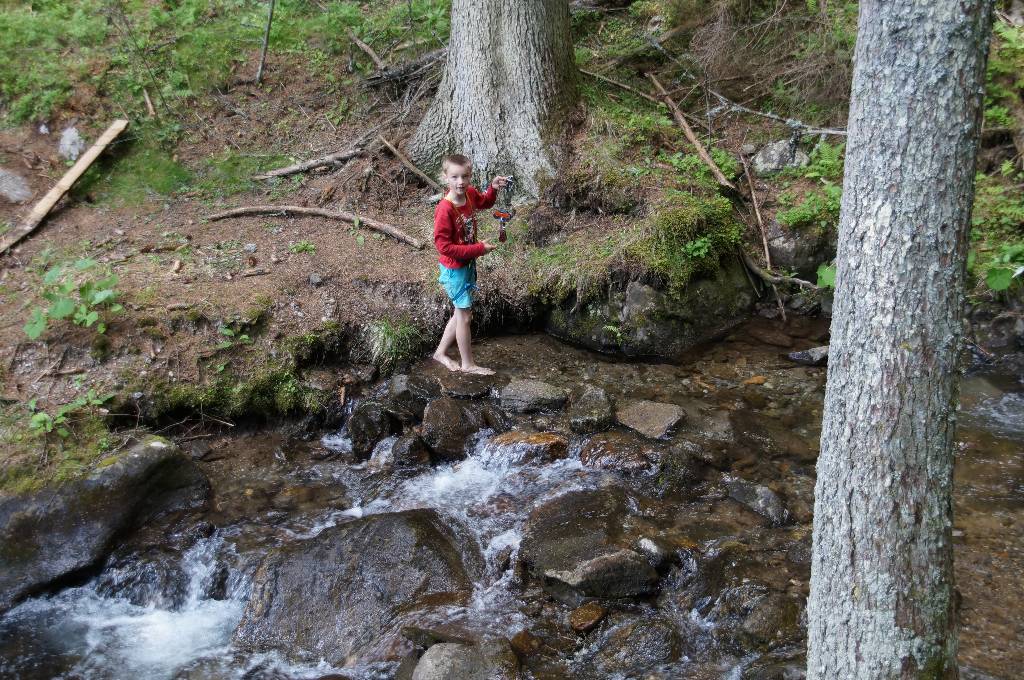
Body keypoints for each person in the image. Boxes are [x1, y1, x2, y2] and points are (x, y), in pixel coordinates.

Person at [432, 153, 510, 374]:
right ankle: (468, 364)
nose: (460, 182)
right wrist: (478, 249)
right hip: (454, 270)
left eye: (465, 176)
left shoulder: (469, 193)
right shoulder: (445, 209)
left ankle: (440, 353)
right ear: (445, 177)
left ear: (470, 176)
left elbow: (485, 202)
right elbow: (444, 247)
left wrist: (493, 188)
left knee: (459, 314)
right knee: (465, 316)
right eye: (455, 177)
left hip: (466, 265)